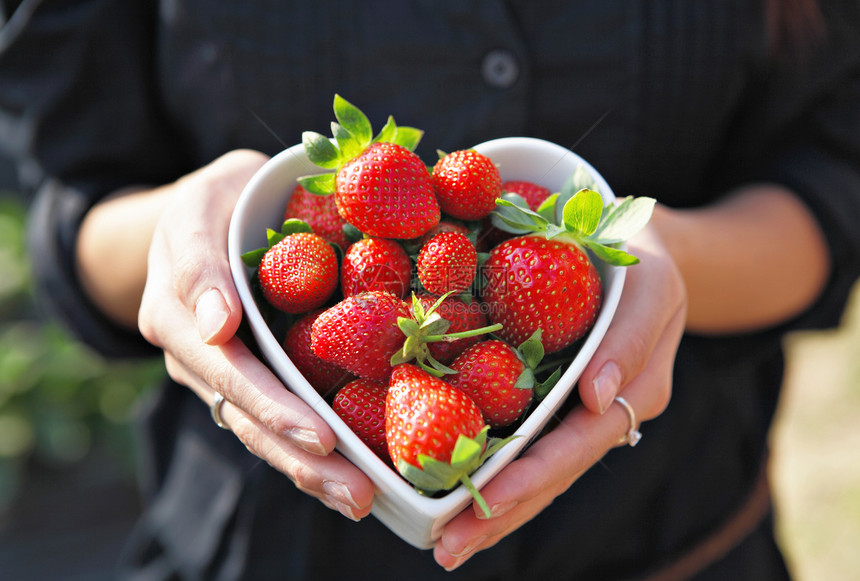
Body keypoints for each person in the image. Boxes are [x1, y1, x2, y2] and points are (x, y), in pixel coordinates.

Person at [1, 0, 858, 579]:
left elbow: (834, 181)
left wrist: (670, 259)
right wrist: (185, 238)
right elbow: (74, 205)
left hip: (677, 540)